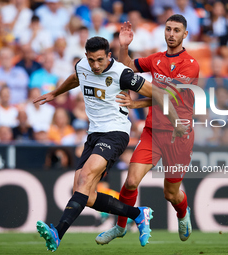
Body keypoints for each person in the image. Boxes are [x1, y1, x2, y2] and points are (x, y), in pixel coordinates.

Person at [33, 36, 186, 251]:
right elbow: (77, 77)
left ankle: (57, 233)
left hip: (115, 133)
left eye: (100, 60)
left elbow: (160, 94)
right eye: (92, 60)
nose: (96, 65)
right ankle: (138, 214)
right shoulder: (83, 66)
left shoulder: (122, 74)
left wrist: (174, 123)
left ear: (109, 56)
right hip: (93, 135)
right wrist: (55, 93)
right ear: (86, 57)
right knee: (84, 193)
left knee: (85, 178)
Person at [95, 14, 199, 244]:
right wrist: (124, 46)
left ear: (185, 34)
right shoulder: (156, 59)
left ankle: (183, 213)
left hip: (178, 135)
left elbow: (168, 96)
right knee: (131, 182)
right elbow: (127, 69)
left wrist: (136, 102)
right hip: (153, 131)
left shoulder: (191, 65)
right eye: (168, 29)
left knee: (170, 193)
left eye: (176, 30)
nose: (171, 34)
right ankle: (120, 227)